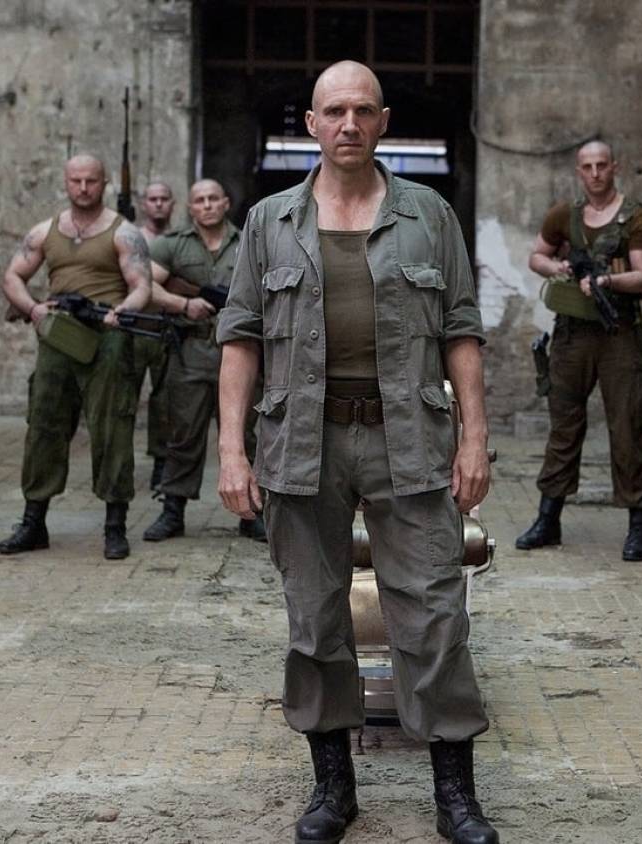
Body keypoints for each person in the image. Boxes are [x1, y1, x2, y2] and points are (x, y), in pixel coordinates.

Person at [216, 61, 498, 844]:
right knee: (314, 619)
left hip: (408, 438)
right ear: (311, 124)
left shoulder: (428, 215)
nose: (349, 124)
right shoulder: (269, 221)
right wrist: (231, 452)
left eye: (363, 111)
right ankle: (333, 789)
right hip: (300, 440)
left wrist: (475, 439)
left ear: (383, 122)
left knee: (433, 614)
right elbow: (240, 339)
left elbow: (462, 332)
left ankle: (456, 798)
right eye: (334, 111)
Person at [0, 154, 154, 560]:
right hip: (58, 337)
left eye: (91, 181)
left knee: (112, 428)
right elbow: (13, 276)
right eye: (76, 181)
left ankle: (115, 526)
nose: (83, 188)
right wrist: (33, 308)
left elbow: (141, 285)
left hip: (108, 337)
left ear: (104, 183)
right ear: (65, 183)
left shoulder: (124, 233)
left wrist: (123, 311)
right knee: (44, 425)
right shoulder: (44, 231)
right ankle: (33, 522)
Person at [514, 140, 642, 561]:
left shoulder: (636, 217)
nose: (595, 173)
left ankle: (638, 525)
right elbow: (536, 256)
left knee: (629, 429)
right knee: (564, 426)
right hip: (572, 334)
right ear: (579, 171)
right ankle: (548, 519)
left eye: (602, 165)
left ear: (615, 167)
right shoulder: (564, 214)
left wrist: (607, 281)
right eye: (587, 166)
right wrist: (557, 267)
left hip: (619, 333)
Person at [141, 178, 265, 542]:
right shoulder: (171, 244)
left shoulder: (250, 241)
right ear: (190, 207)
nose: (207, 205)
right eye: (200, 200)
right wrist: (183, 304)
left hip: (241, 354)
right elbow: (145, 285)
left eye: (214, 199)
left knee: (246, 436)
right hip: (192, 353)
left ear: (226, 203)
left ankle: (251, 513)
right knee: (182, 435)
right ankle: (172, 511)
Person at [133, 180, 174, 490]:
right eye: (153, 199)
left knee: (165, 403)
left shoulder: (179, 241)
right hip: (134, 329)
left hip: (166, 329)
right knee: (124, 399)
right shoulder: (130, 238)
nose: (158, 204)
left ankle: (162, 464)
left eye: (164, 199)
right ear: (143, 203)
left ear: (172, 203)